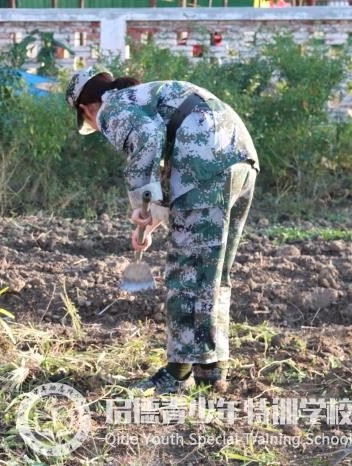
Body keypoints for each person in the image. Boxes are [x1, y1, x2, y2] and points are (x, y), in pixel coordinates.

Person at [66, 65, 259, 394]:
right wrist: (154, 214)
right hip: (237, 156)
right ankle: (212, 370)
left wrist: (140, 199)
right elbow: (169, 143)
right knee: (211, 272)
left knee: (185, 271)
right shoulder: (144, 96)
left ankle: (178, 372)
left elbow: (147, 139)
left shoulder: (111, 107)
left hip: (204, 161)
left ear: (86, 109)